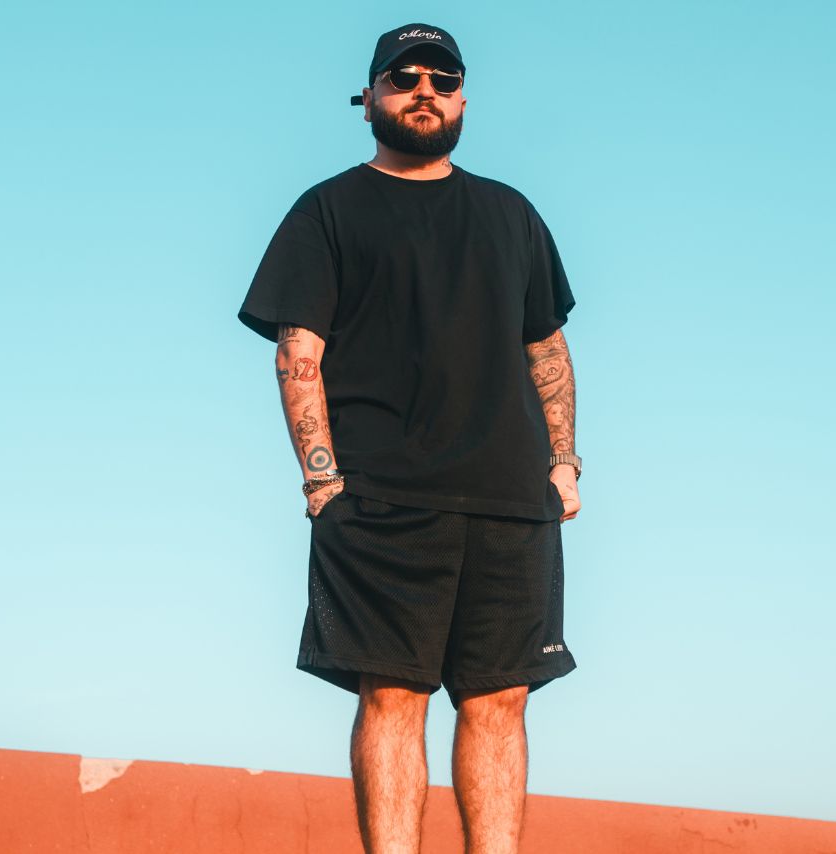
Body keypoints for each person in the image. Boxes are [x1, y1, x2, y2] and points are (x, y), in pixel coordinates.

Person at [237, 22, 582, 854]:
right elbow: (298, 352)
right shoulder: (327, 210)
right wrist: (323, 481)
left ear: (463, 100)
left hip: (510, 499)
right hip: (382, 499)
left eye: (442, 78)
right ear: (370, 100)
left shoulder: (511, 213)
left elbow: (546, 345)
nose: (424, 89)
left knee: (501, 699)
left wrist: (564, 463)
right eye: (404, 76)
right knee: (393, 695)